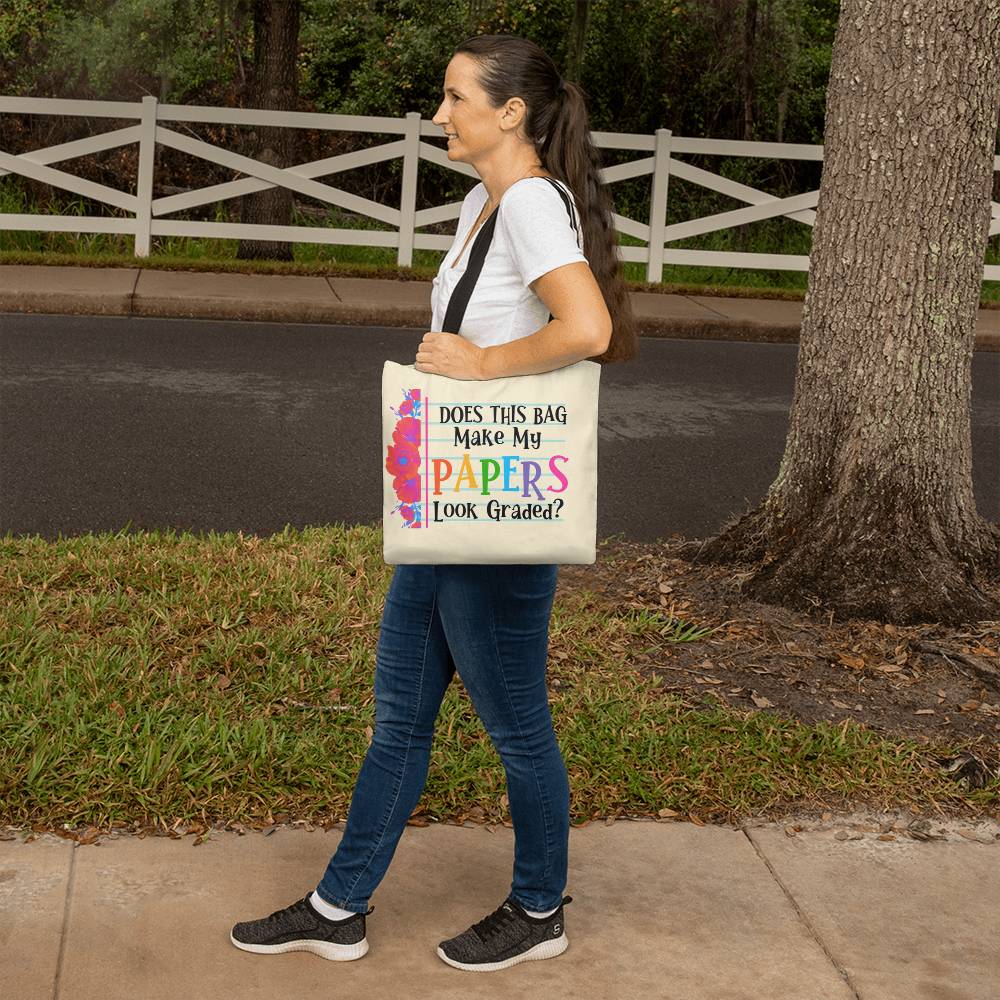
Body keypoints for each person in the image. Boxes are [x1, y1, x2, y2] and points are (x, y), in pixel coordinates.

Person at [230, 31, 637, 974]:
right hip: (451, 506)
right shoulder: (483, 203)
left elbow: (589, 327)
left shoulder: (532, 202)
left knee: (518, 726)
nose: (439, 115)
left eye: (455, 98)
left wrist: (487, 362)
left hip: (495, 520)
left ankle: (539, 910)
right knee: (402, 718)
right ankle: (339, 907)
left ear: (510, 114)